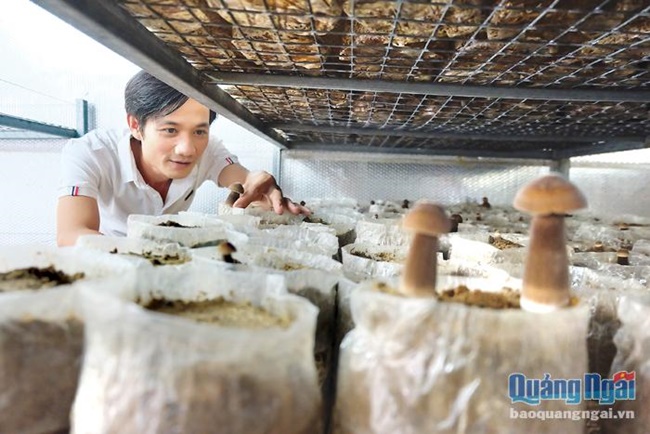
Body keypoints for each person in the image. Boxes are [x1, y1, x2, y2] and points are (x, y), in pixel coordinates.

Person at [56, 70, 308, 246]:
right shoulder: (90, 153)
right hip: (107, 261)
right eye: (170, 130)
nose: (187, 149)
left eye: (199, 131)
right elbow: (71, 235)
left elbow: (244, 182)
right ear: (135, 125)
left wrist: (260, 188)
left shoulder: (208, 148)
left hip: (171, 258)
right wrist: (148, 256)